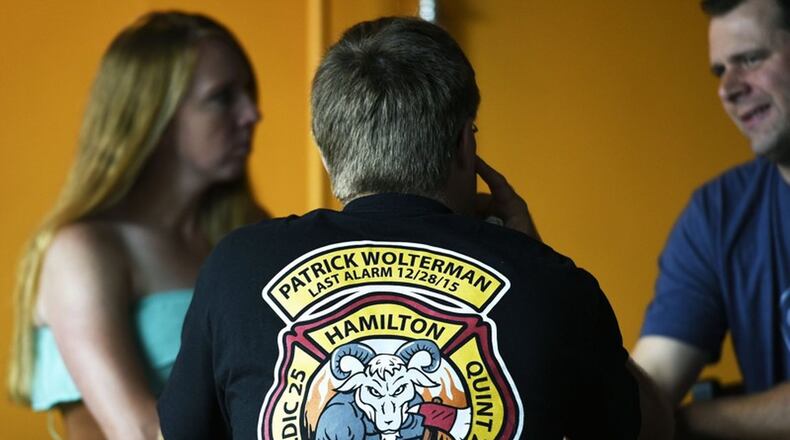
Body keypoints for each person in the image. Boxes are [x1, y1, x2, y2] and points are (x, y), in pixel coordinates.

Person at [159, 16, 669, 439]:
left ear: (324, 151)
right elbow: (653, 429)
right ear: (466, 146)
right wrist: (534, 258)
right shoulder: (554, 283)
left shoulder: (236, 267)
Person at [7, 11, 264, 440]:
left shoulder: (245, 236)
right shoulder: (83, 251)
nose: (252, 114)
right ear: (156, 118)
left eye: (248, 92)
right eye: (222, 97)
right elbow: (140, 432)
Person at [633, 0, 790, 437]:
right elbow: (647, 392)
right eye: (720, 71)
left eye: (751, 59)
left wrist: (689, 423)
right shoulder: (717, 215)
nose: (729, 88)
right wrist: (541, 271)